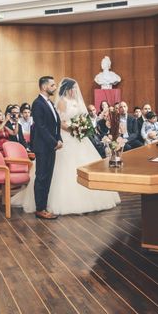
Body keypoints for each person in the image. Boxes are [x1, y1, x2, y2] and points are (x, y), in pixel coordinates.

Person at [12, 77, 120, 218]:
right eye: (52, 85)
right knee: (44, 176)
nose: (55, 87)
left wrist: (79, 129)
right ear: (44, 87)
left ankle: (42, 206)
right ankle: (41, 208)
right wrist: (68, 132)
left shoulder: (49, 102)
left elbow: (55, 123)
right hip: (49, 144)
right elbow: (43, 126)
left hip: (62, 141)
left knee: (48, 176)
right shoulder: (39, 103)